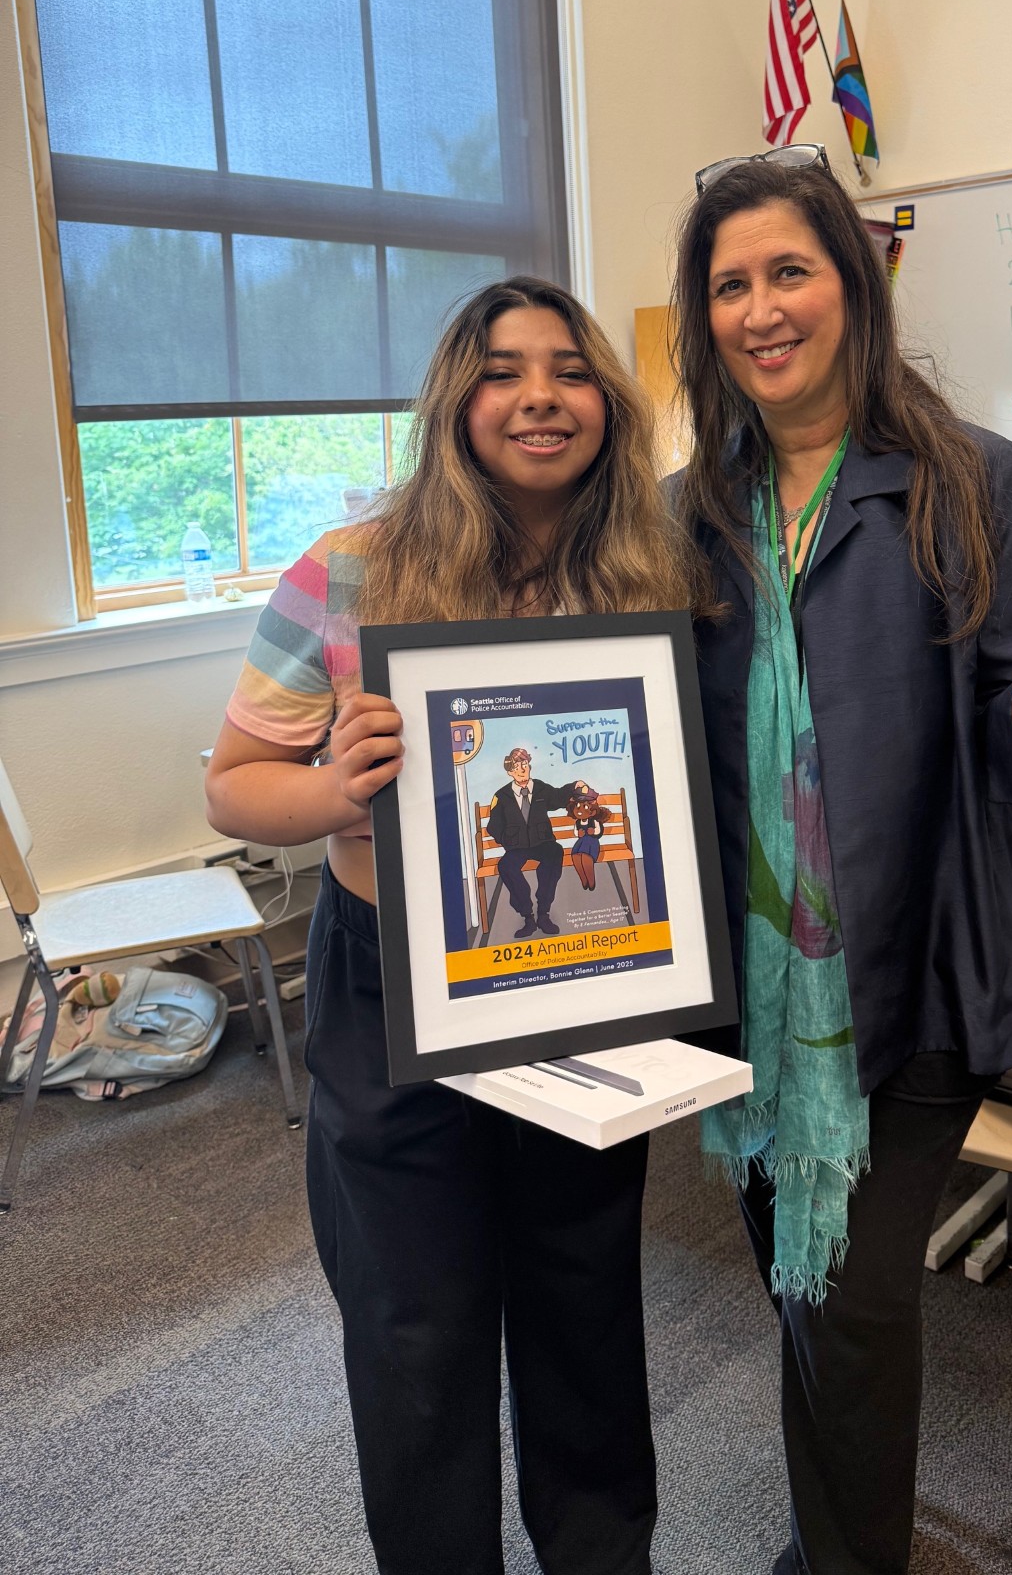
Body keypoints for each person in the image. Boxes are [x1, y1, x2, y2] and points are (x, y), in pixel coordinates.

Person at [668, 145, 1012, 1575]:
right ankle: (827, 1534)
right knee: (804, 1293)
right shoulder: (685, 512)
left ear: (852, 283)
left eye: (790, 269)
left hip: (911, 977)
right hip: (743, 991)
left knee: (847, 1301)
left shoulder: (969, 479)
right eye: (730, 284)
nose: (761, 307)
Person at [204, 277, 699, 1575]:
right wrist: (331, 788)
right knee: (414, 1331)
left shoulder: (648, 566)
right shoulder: (352, 566)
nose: (539, 395)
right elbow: (232, 782)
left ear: (607, 401)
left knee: (583, 1309)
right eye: (503, 370)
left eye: (569, 369)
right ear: (454, 401)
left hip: (577, 983)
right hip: (389, 989)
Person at [487, 745, 570, 935]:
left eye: (524, 764)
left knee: (555, 853)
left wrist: (574, 787)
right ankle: (528, 917)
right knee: (506, 866)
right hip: (517, 847)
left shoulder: (541, 788)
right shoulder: (501, 796)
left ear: (530, 765)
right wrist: (507, 839)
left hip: (543, 843)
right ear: (510, 772)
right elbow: (494, 825)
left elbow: (558, 797)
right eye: (517, 766)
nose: (522, 769)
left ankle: (543, 913)